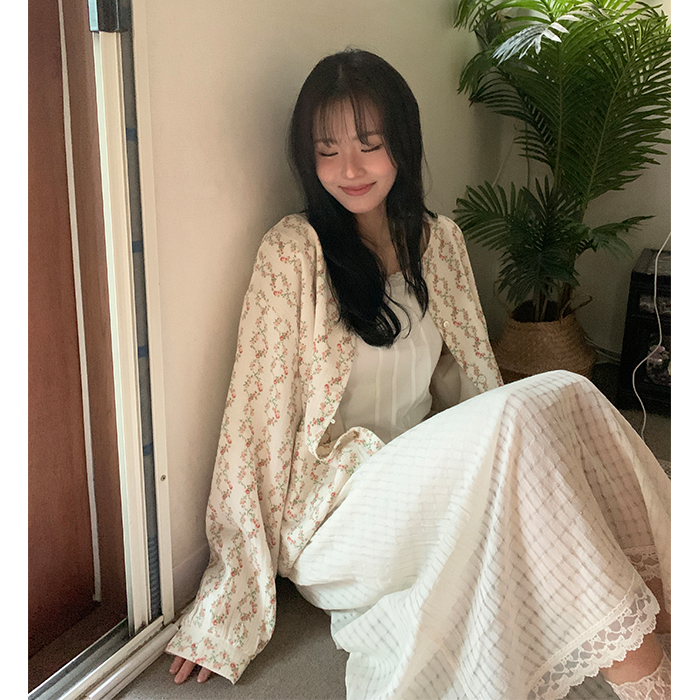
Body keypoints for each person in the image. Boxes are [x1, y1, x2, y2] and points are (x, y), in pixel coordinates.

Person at [166, 49, 671, 699]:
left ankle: (666, 598)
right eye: (327, 151)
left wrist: (515, 468)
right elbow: (252, 427)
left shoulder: (440, 241)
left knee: (565, 395)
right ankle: (652, 682)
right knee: (530, 415)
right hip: (338, 516)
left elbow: (470, 379)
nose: (349, 169)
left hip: (423, 477)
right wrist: (226, 598)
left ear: (402, 143)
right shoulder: (293, 253)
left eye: (370, 145)